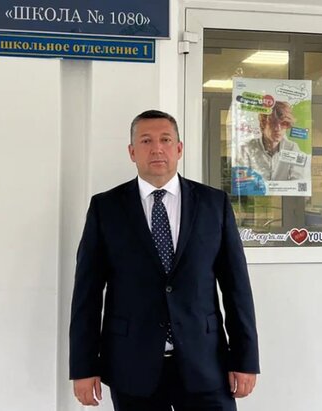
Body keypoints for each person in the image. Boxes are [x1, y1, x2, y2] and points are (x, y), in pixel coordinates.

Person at [69, 109, 260, 410]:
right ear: (132, 152)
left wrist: (245, 359)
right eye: (146, 141)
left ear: (179, 148)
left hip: (206, 363)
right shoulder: (106, 208)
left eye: (166, 140)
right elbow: (87, 294)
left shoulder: (213, 204)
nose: (157, 148)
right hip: (132, 364)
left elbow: (237, 288)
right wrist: (83, 366)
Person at [236, 101, 307, 181]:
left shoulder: (293, 148)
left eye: (283, 123)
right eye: (273, 123)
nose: (278, 129)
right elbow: (243, 182)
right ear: (263, 124)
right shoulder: (247, 149)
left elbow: (298, 181)